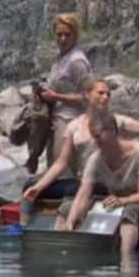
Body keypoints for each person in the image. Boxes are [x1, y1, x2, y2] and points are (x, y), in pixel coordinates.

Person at [20, 78, 139, 223]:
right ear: (87, 95)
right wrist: (38, 187)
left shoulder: (115, 122)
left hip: (105, 184)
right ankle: (22, 230)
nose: (105, 97)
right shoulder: (74, 126)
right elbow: (61, 163)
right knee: (30, 185)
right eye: (100, 93)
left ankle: (75, 225)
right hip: (84, 181)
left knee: (72, 196)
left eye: (108, 94)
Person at [56, 108, 139, 262]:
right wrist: (71, 220)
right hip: (115, 205)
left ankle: (127, 262)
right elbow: (84, 192)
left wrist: (122, 201)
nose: (96, 141)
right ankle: (64, 255)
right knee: (67, 207)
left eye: (99, 136)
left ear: (113, 131)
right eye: (93, 137)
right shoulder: (96, 158)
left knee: (128, 213)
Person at [37, 13, 92, 165]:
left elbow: (88, 97)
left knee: (63, 168)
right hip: (56, 120)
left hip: (71, 123)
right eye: (59, 34)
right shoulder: (60, 58)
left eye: (67, 35)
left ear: (75, 36)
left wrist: (56, 97)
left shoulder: (77, 63)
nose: (62, 39)